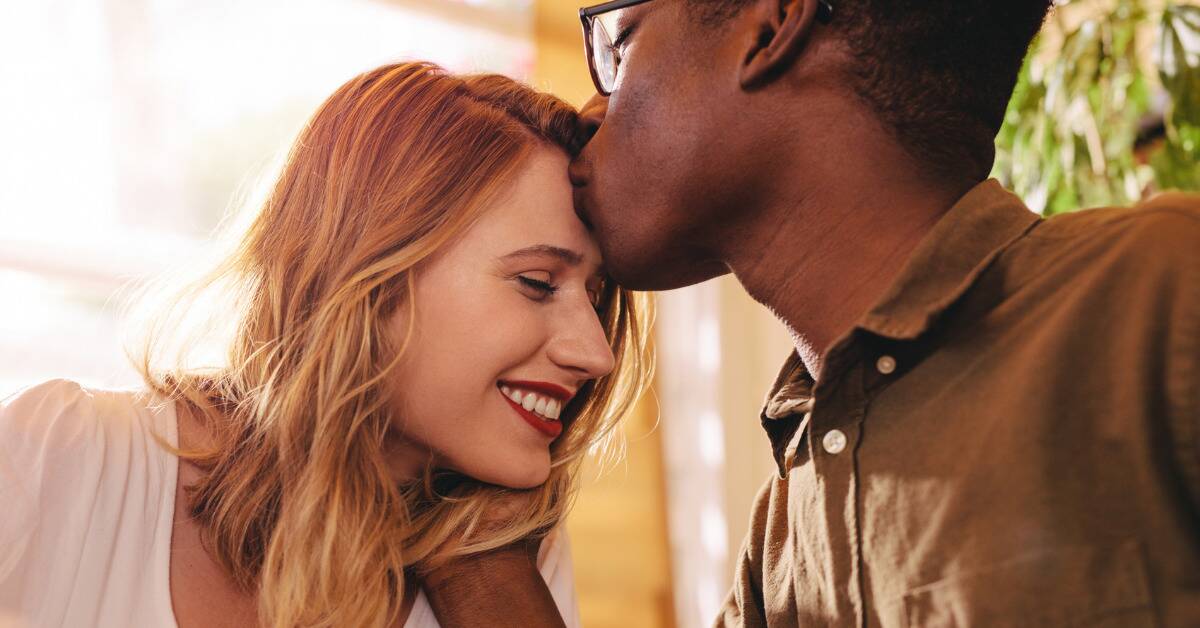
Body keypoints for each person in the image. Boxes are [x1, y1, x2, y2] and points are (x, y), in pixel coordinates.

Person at [423, 0, 1200, 625]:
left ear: (771, 25)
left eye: (620, 44)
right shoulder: (786, 533)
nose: (591, 109)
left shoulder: (1160, 294)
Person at [0, 62, 652, 628]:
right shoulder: (63, 459)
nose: (596, 355)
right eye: (537, 283)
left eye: (596, 299)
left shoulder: (512, 562)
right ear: (372, 272)